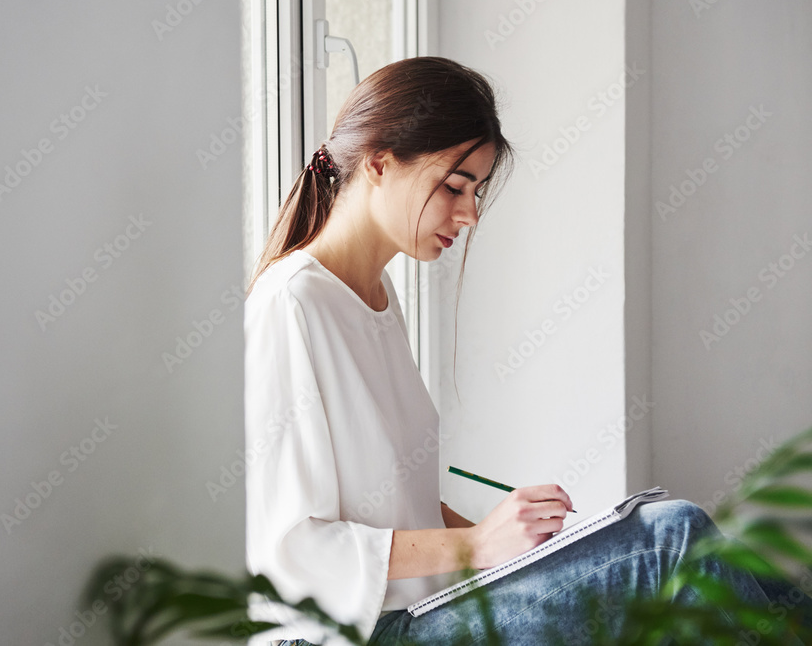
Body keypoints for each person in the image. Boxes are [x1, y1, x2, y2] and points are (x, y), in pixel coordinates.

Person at [242, 56, 808, 645]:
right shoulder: (291, 304)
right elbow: (287, 548)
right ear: (381, 163)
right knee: (673, 538)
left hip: (413, 615)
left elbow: (396, 509)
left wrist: (516, 539)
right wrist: (477, 544)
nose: (470, 214)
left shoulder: (375, 301)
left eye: (477, 190)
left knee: (723, 567)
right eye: (455, 186)